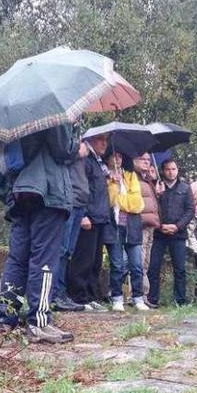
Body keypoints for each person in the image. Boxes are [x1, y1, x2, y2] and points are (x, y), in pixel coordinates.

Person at [0, 123, 77, 343]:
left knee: (17, 258)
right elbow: (63, 149)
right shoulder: (51, 113)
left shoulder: (13, 117)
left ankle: (5, 319)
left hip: (19, 191)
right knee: (45, 258)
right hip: (47, 191)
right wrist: (76, 140)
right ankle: (39, 322)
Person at [67, 133, 111, 312]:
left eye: (106, 141)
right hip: (88, 217)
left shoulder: (99, 162)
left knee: (95, 261)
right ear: (91, 139)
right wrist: (83, 214)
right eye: (101, 139)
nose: (104, 144)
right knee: (82, 259)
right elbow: (81, 186)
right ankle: (78, 295)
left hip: (100, 217)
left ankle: (91, 295)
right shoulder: (86, 159)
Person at [146, 159, 195, 307]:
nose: (171, 172)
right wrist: (160, 226)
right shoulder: (156, 187)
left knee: (179, 269)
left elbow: (190, 210)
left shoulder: (185, 188)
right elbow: (151, 208)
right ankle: (152, 299)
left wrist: (177, 226)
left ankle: (179, 301)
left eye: (173, 169)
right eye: (168, 169)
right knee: (153, 267)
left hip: (178, 234)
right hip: (159, 233)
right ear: (163, 171)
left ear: (177, 170)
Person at [105, 151, 150, 311]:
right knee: (117, 264)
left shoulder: (131, 176)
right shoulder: (106, 177)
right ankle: (116, 298)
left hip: (133, 225)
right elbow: (110, 202)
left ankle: (138, 298)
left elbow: (137, 204)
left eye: (120, 156)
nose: (117, 159)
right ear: (108, 158)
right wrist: (114, 185)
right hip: (114, 225)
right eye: (114, 156)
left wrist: (121, 199)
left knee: (136, 265)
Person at [52, 142, 89, 312]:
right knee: (61, 249)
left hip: (80, 202)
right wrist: (77, 153)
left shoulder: (79, 141)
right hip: (68, 200)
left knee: (68, 252)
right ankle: (55, 295)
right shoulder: (66, 142)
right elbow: (58, 157)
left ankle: (61, 292)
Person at [134, 153, 160, 298]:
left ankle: (143, 294)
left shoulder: (148, 178)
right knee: (139, 258)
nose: (146, 162)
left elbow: (151, 200)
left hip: (151, 222)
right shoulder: (133, 176)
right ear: (135, 160)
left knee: (146, 260)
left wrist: (154, 183)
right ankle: (137, 294)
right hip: (141, 222)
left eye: (148, 160)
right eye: (142, 159)